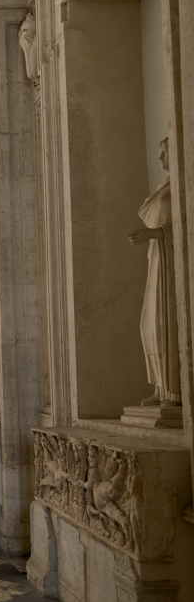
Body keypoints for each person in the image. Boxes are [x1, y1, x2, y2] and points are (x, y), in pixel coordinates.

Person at [126, 138, 181, 407]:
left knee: (163, 320)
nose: (160, 158)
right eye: (158, 153)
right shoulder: (166, 186)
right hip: (158, 257)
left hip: (172, 261)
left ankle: (174, 390)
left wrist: (158, 233)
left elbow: (186, 223)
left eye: (164, 152)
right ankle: (161, 386)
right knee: (149, 323)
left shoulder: (182, 184)